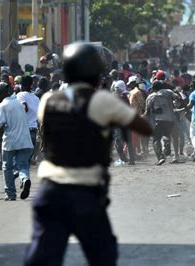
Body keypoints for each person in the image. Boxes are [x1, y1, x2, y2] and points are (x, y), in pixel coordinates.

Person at [24, 42, 152, 266]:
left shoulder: (49, 100)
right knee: (103, 256)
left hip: (50, 191)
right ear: (96, 74)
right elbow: (145, 128)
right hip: (86, 194)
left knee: (42, 258)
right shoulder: (102, 101)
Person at [0, 82, 34, 201]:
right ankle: (25, 178)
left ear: (2, 93)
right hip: (25, 140)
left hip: (10, 140)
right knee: (22, 165)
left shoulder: (2, 106)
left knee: (7, 166)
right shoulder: (18, 103)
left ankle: (10, 193)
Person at [144, 80, 178, 165]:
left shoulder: (151, 97)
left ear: (154, 88)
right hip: (170, 119)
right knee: (166, 135)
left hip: (158, 120)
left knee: (156, 139)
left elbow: (147, 111)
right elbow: (178, 98)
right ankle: (166, 143)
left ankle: (160, 157)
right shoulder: (168, 92)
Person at [16, 76, 40, 165]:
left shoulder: (20, 95)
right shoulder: (36, 98)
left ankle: (19, 175)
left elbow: (24, 107)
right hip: (33, 130)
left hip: (23, 130)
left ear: (21, 85)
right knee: (27, 160)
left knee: (19, 158)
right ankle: (24, 177)